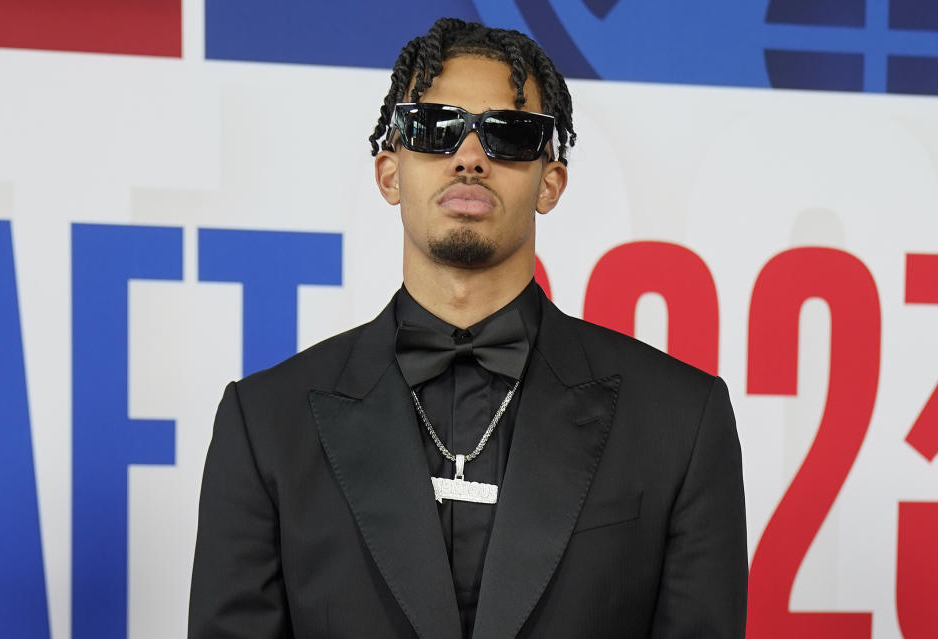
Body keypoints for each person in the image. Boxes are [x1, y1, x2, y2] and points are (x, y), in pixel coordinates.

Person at [189, 17, 747, 639]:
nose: (470, 158)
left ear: (551, 182)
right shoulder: (265, 422)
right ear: (389, 172)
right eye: (436, 130)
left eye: (509, 135)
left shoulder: (680, 419)